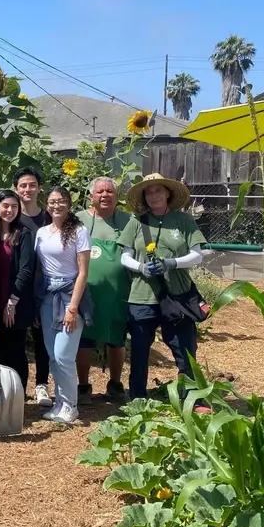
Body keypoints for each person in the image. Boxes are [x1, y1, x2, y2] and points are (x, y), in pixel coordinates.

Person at [118, 173, 205, 403]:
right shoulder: (137, 222)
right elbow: (124, 256)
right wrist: (141, 267)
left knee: (185, 349)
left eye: (158, 190)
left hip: (178, 295)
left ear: (168, 193)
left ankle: (192, 397)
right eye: (148, 191)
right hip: (142, 296)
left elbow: (197, 256)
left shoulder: (184, 221)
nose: (153, 195)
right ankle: (137, 396)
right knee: (138, 350)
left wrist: (172, 263)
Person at [35, 185, 91, 424]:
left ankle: (71, 405)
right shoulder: (41, 233)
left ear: (68, 204)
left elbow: (82, 273)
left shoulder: (79, 231)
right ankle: (59, 402)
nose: (56, 205)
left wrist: (73, 308)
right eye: (52, 202)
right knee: (52, 355)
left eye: (60, 201)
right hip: (47, 297)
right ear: (46, 205)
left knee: (64, 354)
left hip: (70, 295)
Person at [76, 177, 131, 405]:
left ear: (117, 197)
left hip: (119, 292)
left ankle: (115, 385)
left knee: (117, 339)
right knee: (84, 340)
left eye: (110, 191)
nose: (105, 195)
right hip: (87, 291)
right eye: (100, 191)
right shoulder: (80, 219)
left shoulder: (127, 221)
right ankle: (83, 386)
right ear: (92, 196)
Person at [12, 166, 53, 407]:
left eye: (32, 185)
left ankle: (42, 386)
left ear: (39, 188)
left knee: (42, 338)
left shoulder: (49, 217)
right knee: (17, 338)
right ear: (16, 189)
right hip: (19, 287)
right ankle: (18, 385)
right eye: (23, 186)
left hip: (45, 285)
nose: (28, 189)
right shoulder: (11, 217)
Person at [0, 189, 36, 390]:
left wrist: (13, 300)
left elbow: (26, 270)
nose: (9, 210)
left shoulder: (23, 234)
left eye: (14, 206)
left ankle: (17, 394)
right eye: (5, 206)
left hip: (14, 301)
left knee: (15, 349)